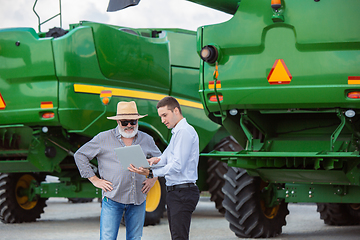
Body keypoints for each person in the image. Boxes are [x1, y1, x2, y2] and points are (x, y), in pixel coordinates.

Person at [74, 101, 161, 240]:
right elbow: (80, 155)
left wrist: (153, 179)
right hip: (112, 198)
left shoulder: (147, 139)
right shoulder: (103, 138)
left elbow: (161, 160)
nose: (129, 126)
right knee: (108, 238)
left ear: (137, 120)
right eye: (124, 122)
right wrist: (94, 179)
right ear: (118, 122)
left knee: (135, 238)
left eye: (132, 121)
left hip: (138, 199)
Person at [129, 96, 200, 240]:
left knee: (179, 237)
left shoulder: (184, 132)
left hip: (183, 192)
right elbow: (164, 158)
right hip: (177, 192)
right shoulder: (177, 132)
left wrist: (151, 173)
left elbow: (178, 166)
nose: (162, 120)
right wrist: (150, 162)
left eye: (165, 115)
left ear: (176, 110)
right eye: (161, 116)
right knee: (177, 237)